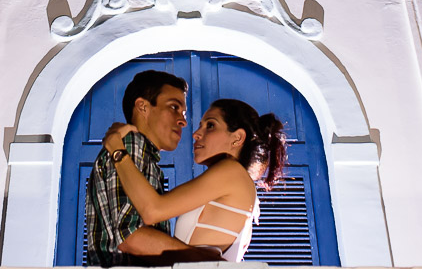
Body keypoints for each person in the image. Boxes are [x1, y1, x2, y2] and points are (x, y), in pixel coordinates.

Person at [101, 98, 288, 263]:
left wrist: (117, 149)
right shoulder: (238, 180)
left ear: (237, 138)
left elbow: (153, 210)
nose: (196, 133)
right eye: (201, 125)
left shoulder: (231, 172)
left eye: (210, 125)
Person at [86, 70, 197, 266]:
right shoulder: (131, 144)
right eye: (174, 107)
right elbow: (131, 236)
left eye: (184, 113)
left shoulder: (142, 154)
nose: (183, 121)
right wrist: (209, 261)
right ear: (142, 107)